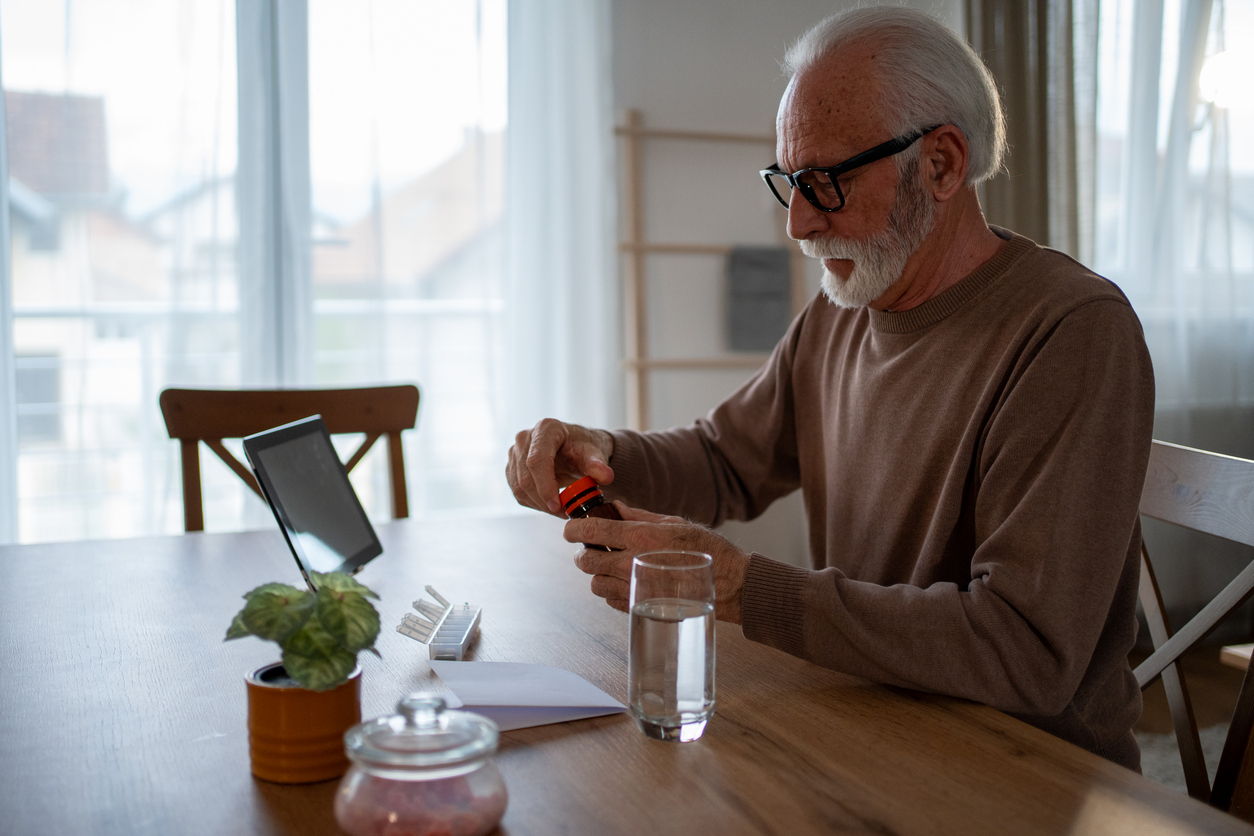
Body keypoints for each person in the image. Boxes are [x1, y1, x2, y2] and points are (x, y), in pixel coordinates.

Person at [506, 7, 1153, 770]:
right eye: (789, 181)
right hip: (871, 722)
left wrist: (745, 588)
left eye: (825, 183)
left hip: (1022, 771)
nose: (800, 224)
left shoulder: (1072, 330)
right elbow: (724, 460)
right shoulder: (843, 308)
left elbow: (1026, 651)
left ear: (942, 164)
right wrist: (601, 453)